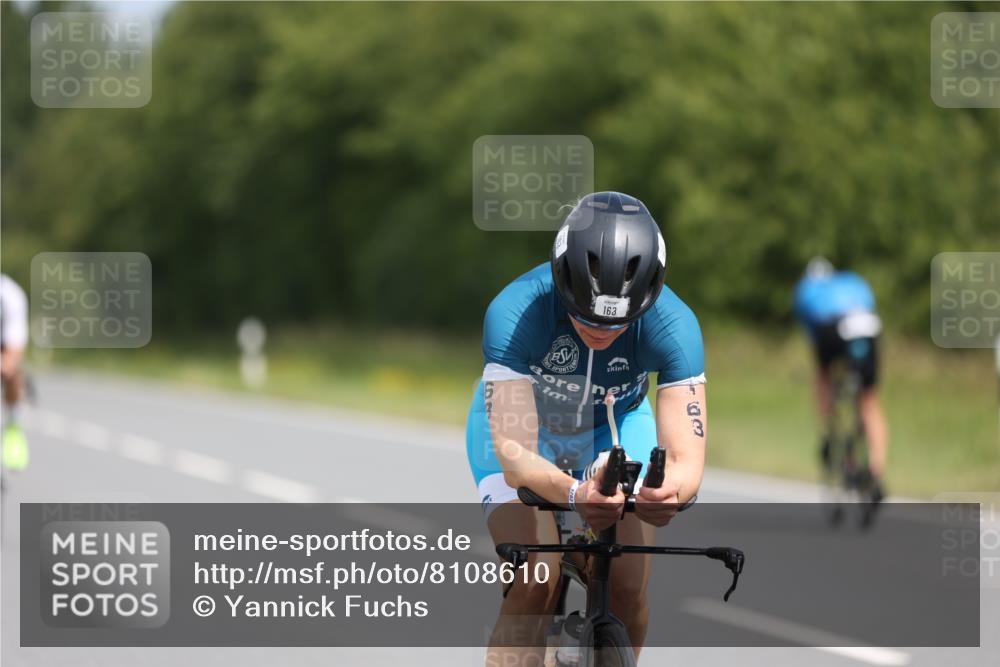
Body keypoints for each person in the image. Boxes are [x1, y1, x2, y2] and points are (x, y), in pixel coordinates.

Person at [466, 192, 707, 664]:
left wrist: (668, 495)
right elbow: (514, 453)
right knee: (535, 578)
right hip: (527, 432)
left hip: (614, 427)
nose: (600, 330)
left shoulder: (676, 326)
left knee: (629, 587)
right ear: (561, 280)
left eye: (619, 324)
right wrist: (576, 496)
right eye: (585, 315)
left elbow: (685, 462)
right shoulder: (516, 311)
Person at [794, 257, 888, 502]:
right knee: (869, 400)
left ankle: (829, 433)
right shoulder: (851, 281)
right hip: (868, 327)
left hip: (833, 329)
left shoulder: (807, 291)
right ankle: (875, 470)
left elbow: (814, 335)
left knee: (823, 377)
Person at [1, 273, 30, 472]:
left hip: (3, 348)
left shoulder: (10, 295)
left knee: (13, 376)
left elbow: (13, 353)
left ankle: (13, 428)